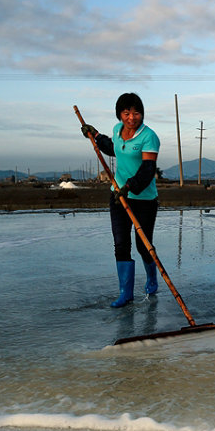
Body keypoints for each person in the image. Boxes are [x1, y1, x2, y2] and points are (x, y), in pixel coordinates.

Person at [81, 93, 161, 307]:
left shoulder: (149, 137)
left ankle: (152, 278)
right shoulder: (117, 130)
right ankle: (125, 294)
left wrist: (129, 187)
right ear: (119, 114)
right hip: (118, 196)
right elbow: (113, 148)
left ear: (142, 114)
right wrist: (95, 135)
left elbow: (148, 169)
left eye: (136, 113)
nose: (131, 117)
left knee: (143, 245)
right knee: (121, 244)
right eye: (126, 113)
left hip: (144, 199)